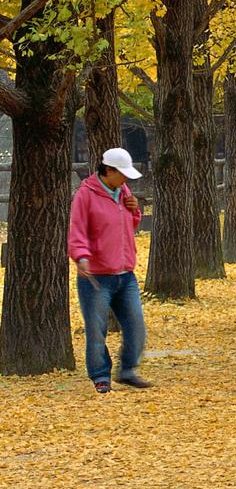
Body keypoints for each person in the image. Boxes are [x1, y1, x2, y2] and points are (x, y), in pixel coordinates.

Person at [67, 147, 149, 393]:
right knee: (96, 329)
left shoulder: (122, 190)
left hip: (125, 273)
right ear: (108, 170)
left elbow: (128, 225)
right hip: (97, 276)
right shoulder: (85, 195)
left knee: (135, 324)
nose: (126, 179)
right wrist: (81, 256)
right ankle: (100, 376)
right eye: (122, 173)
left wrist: (134, 210)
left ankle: (127, 370)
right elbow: (77, 229)